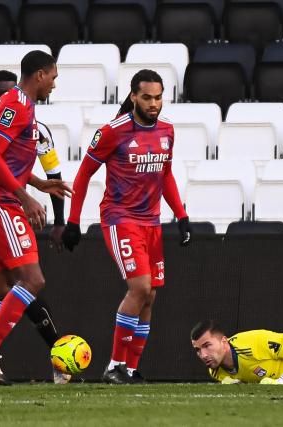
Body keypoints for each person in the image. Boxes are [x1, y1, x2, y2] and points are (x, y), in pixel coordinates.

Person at [61, 69, 192, 384]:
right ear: (133, 96)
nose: (153, 103)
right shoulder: (113, 131)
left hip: (152, 221)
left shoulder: (167, 131)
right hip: (121, 219)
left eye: (158, 97)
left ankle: (131, 368)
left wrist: (182, 215)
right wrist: (73, 221)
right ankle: (113, 366)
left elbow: (166, 175)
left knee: (151, 296)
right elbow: (83, 175)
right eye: (147, 97)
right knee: (140, 287)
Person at [0, 70, 69, 385]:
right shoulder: (16, 105)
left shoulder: (25, 110)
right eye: (53, 77)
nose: (55, 84)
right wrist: (26, 198)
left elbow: (8, 161)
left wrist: (40, 184)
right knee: (32, 280)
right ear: (40, 75)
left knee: (1, 287)